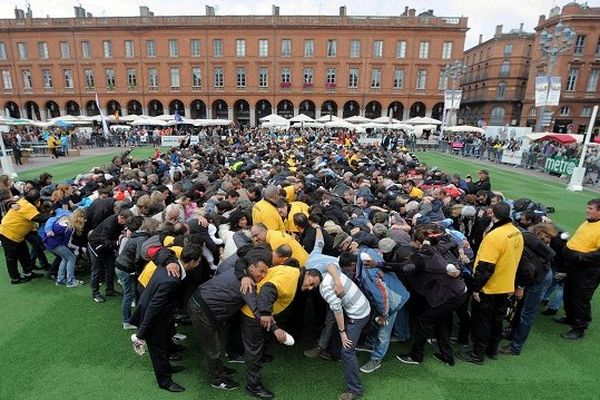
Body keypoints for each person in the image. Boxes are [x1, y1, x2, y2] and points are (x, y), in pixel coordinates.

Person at [186, 247, 271, 391]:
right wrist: (269, 321)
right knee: (212, 346)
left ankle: (219, 369)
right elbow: (256, 309)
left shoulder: (244, 273)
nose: (262, 275)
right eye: (260, 271)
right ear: (251, 268)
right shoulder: (247, 283)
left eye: (265, 272)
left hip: (204, 305)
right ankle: (218, 379)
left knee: (216, 341)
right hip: (201, 308)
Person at [129, 243, 202, 392]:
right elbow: (154, 307)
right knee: (158, 350)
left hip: (162, 316)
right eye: (199, 261)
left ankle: (167, 369)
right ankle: (165, 382)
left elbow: (164, 251)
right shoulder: (171, 280)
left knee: (163, 345)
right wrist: (141, 334)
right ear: (193, 261)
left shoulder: (172, 262)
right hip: (153, 318)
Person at [457, 202, 524, 364]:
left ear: (493, 214)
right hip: (505, 285)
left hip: (490, 288)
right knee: (497, 320)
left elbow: (485, 267)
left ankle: (477, 354)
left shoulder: (494, 236)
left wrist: (476, 288)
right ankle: (492, 350)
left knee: (482, 322)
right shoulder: (516, 232)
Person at [301, 268, 371, 400]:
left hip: (357, 315)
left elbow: (337, 310)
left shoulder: (325, 288)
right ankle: (334, 353)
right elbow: (331, 264)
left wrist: (342, 332)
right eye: (306, 288)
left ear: (308, 273)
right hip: (363, 306)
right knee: (333, 325)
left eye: (308, 283)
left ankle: (355, 390)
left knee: (347, 351)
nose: (310, 288)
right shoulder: (327, 273)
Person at [558, 198, 600, 340]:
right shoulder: (589, 222)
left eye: (591, 209)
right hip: (574, 266)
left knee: (580, 298)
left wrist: (580, 257)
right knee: (568, 293)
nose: (587, 210)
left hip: (588, 271)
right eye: (587, 207)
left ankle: (580, 328)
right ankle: (570, 317)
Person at [0, 189, 49, 284]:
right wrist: (51, 216)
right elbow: (38, 218)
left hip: (17, 234)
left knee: (24, 254)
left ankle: (28, 273)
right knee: (11, 258)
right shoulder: (28, 206)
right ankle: (15, 278)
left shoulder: (23, 200)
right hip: (8, 233)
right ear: (37, 200)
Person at [88, 209, 133, 303]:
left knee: (110, 267)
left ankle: (110, 290)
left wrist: (127, 229)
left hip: (106, 246)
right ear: (121, 217)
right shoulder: (109, 225)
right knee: (96, 270)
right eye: (126, 222)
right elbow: (105, 242)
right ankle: (95, 293)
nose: (127, 224)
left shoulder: (119, 221)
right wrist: (118, 242)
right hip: (96, 245)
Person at [41, 208, 87, 287]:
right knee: (71, 258)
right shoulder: (70, 227)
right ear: (79, 218)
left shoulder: (66, 218)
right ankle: (70, 281)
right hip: (54, 243)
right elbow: (68, 244)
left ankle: (60, 280)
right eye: (84, 218)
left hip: (48, 241)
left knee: (65, 258)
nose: (85, 221)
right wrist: (80, 248)